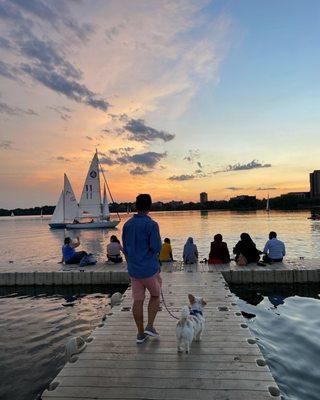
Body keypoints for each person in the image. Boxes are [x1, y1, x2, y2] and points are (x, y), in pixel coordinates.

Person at [122, 194, 162, 344]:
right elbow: (156, 247)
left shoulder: (127, 225)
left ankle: (140, 334)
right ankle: (150, 326)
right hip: (149, 269)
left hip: (134, 270)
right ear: (149, 206)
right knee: (156, 295)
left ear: (136, 206)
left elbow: (125, 248)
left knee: (137, 300)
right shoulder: (151, 225)